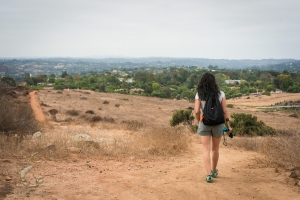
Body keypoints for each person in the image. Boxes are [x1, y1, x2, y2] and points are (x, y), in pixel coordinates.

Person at [194, 72, 232, 183]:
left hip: (204, 123)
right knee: (215, 149)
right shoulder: (221, 94)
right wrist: (228, 126)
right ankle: (214, 170)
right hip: (218, 124)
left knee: (206, 149)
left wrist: (199, 121)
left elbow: (196, 111)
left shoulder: (199, 94)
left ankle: (209, 174)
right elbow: (224, 111)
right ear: (214, 82)